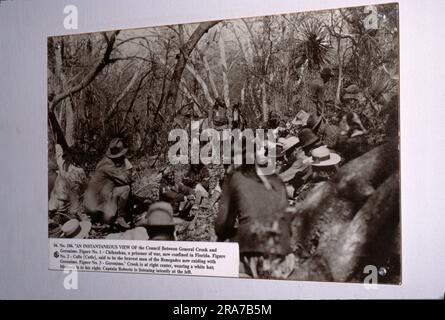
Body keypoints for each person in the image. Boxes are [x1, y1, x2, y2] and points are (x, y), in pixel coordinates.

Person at [215, 143, 293, 279]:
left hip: (254, 253)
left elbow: (222, 227)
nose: (226, 169)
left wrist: (238, 229)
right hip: (284, 254)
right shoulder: (276, 178)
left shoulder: (235, 178)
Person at [84, 138, 133, 227]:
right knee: (126, 188)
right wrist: (127, 166)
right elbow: (126, 180)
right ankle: (120, 216)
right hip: (96, 204)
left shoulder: (103, 161)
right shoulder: (109, 166)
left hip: (90, 201)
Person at [48, 142, 87, 219]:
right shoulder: (79, 171)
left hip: (52, 205)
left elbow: (58, 150)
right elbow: (85, 188)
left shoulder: (61, 163)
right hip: (64, 209)